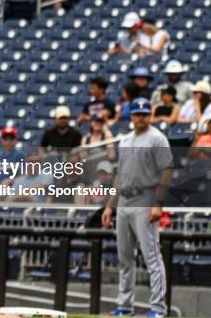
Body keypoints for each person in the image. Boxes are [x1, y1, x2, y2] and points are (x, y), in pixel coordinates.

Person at [102, 98, 172, 318]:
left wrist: (158, 204)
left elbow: (167, 171)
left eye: (144, 113)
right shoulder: (125, 140)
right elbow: (119, 176)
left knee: (152, 257)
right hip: (124, 201)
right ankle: (125, 305)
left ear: (149, 115)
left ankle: (158, 308)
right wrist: (109, 206)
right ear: (131, 116)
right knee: (125, 257)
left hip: (145, 200)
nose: (141, 117)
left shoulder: (157, 138)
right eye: (137, 114)